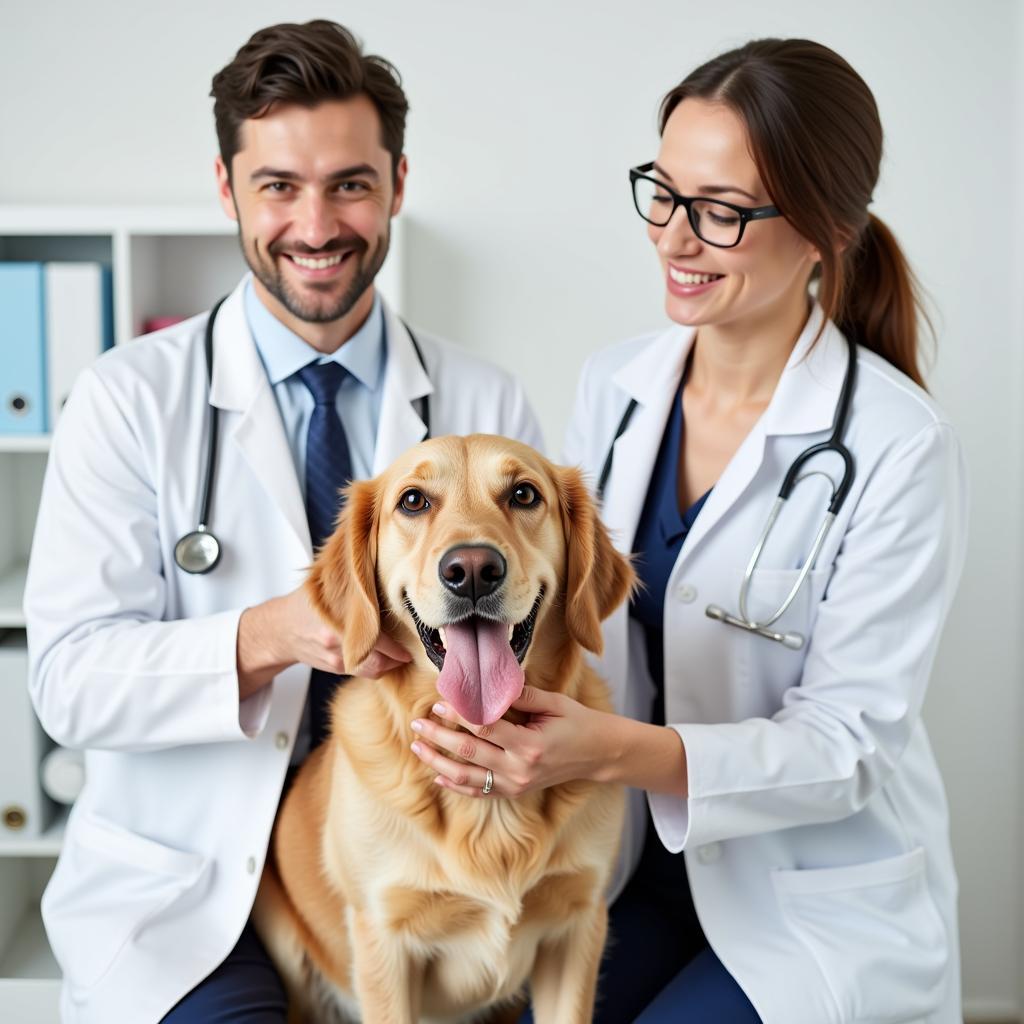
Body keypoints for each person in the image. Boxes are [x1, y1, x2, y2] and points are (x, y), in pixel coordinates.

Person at [408, 38, 967, 1023]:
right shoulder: (615, 389)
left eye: (718, 210)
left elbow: (850, 748)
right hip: (627, 865)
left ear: (824, 229)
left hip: (806, 899)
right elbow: (565, 614)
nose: (672, 238)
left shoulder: (895, 443)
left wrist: (613, 751)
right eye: (661, 193)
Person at [24, 20, 542, 1024]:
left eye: (350, 183)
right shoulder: (126, 400)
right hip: (198, 897)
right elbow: (68, 684)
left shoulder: (485, 406)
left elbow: (545, 644)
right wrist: (271, 634)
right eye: (278, 187)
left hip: (436, 877)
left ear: (397, 183)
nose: (316, 224)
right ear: (227, 189)